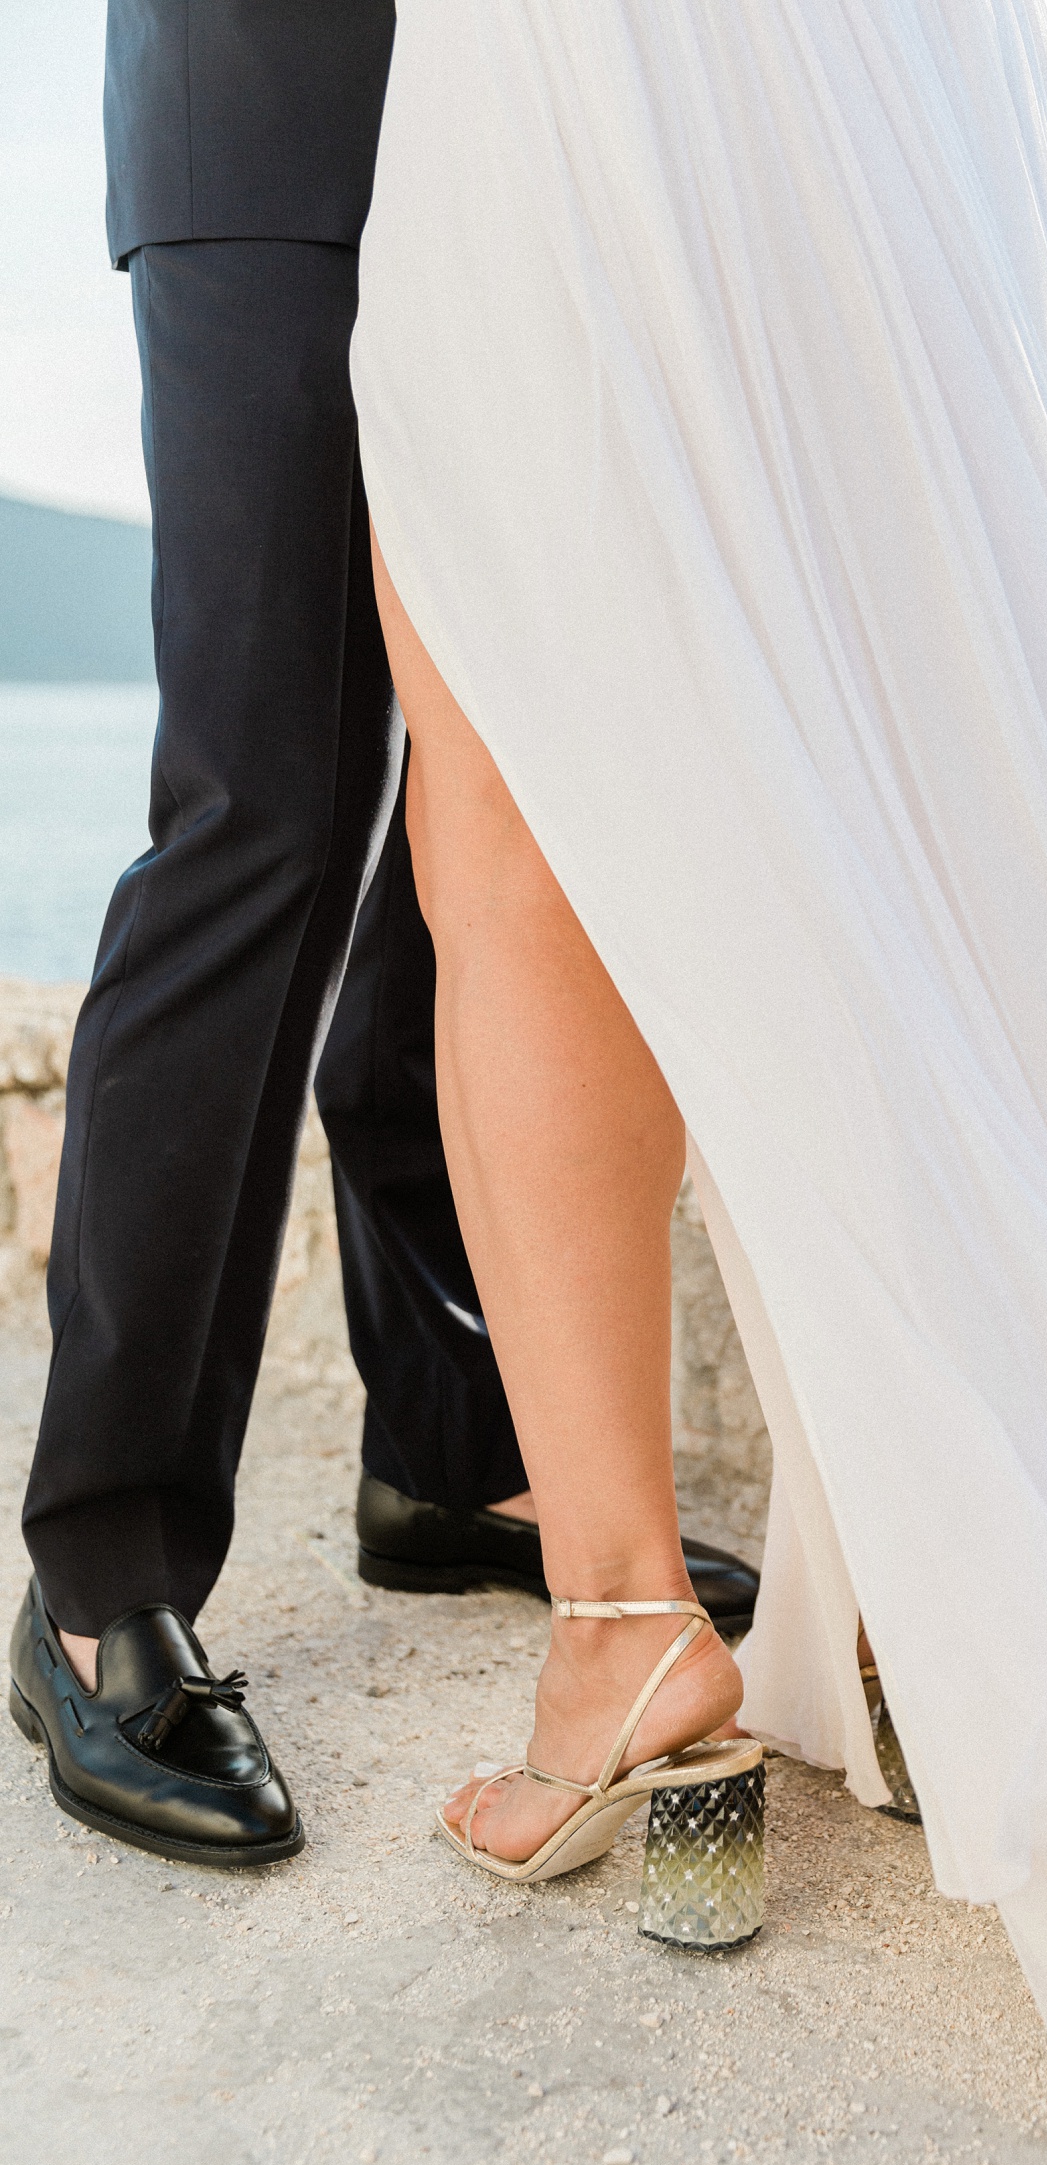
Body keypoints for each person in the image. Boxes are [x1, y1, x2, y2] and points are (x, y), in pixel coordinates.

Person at [348, 0, 1047, 2140]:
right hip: (902, 63)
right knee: (939, 717)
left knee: (515, 775)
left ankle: (627, 1623)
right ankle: (977, 1565)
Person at [8, 0, 757, 1875]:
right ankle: (98, 1571)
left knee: (501, 786)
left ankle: (440, 1437)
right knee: (267, 799)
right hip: (269, 97)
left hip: (523, 118)